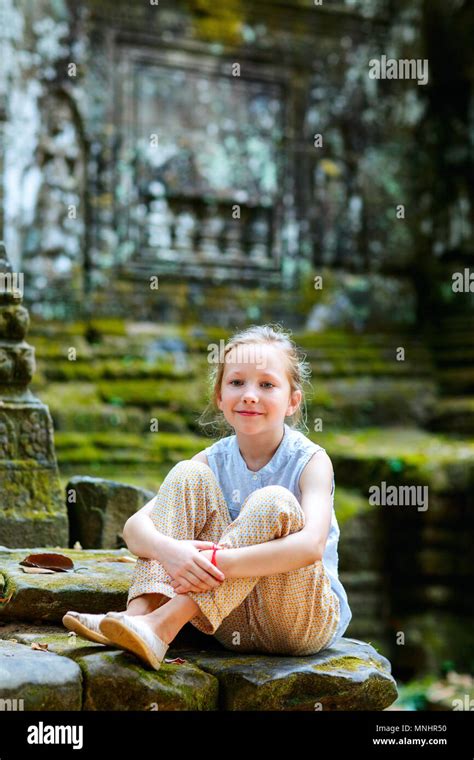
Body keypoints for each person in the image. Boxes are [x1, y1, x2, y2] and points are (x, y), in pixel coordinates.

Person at [63, 323, 352, 670]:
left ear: (292, 401)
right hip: (229, 618)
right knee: (186, 473)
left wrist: (217, 564)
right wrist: (171, 552)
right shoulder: (212, 460)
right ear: (219, 396)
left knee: (272, 500)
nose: (249, 394)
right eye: (236, 382)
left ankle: (162, 626)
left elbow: (310, 547)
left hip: (298, 620)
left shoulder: (311, 461)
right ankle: (135, 618)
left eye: (267, 385)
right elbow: (135, 528)